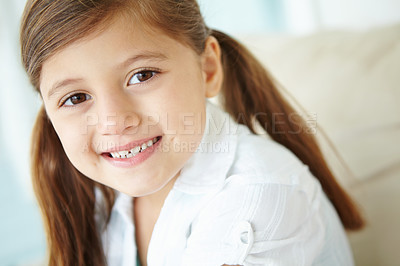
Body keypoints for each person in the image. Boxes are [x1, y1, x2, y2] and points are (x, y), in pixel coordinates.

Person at [20, 0, 364, 265]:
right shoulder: (107, 192)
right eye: (75, 98)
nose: (113, 121)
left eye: (142, 75)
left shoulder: (254, 200)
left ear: (208, 68)